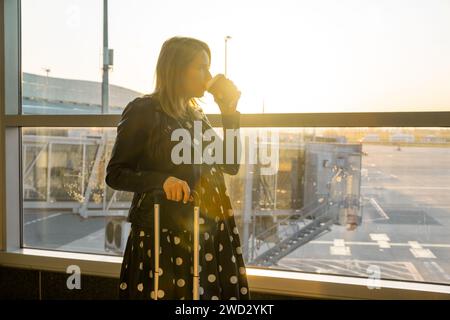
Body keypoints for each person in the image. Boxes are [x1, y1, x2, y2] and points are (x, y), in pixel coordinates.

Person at [105, 36, 250, 300]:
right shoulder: (144, 110)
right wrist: (161, 181)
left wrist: (229, 113)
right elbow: (115, 173)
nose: (209, 75)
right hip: (164, 233)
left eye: (209, 67)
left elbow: (229, 163)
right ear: (177, 70)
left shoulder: (195, 114)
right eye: (201, 67)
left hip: (205, 228)